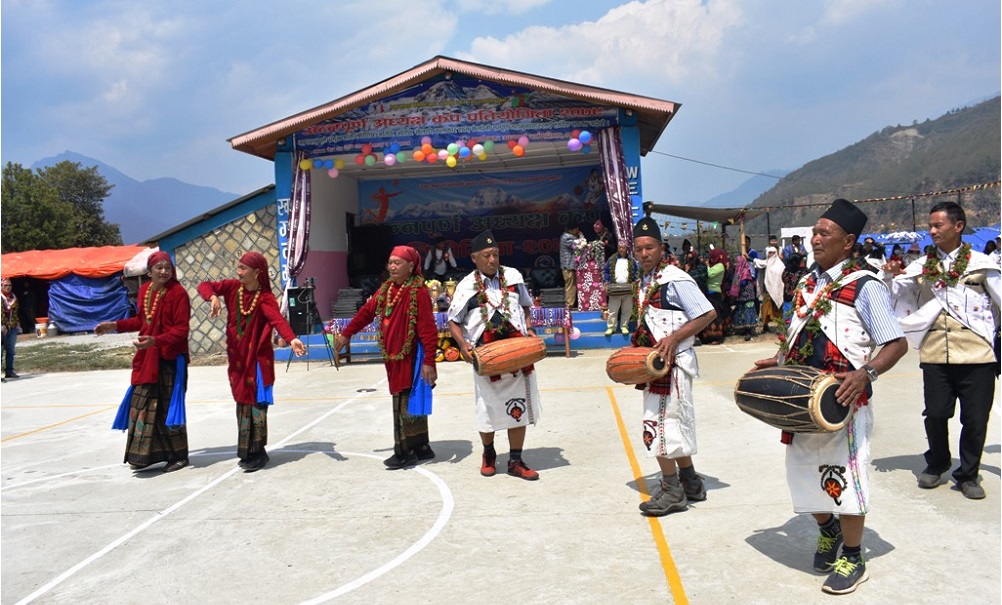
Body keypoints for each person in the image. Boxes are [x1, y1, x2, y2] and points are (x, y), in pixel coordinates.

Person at [754, 198, 906, 595]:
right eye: (814, 232)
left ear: (848, 241)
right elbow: (800, 338)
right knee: (803, 476)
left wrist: (866, 372)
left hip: (843, 400)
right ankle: (828, 528)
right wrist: (777, 361)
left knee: (846, 477)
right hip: (803, 398)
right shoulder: (807, 282)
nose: (815, 239)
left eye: (825, 233)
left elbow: (895, 343)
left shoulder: (864, 284)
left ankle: (853, 556)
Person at [879, 201, 1001, 500]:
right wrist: (892, 275)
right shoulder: (921, 266)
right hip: (936, 352)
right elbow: (900, 299)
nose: (931, 231)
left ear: (958, 226)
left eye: (938, 226)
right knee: (935, 413)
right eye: (930, 226)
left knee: (975, 418)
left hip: (977, 354)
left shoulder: (982, 263)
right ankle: (937, 462)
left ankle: (968, 474)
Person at [630, 217, 716, 516]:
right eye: (638, 249)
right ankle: (691, 483)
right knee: (672, 426)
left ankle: (672, 491)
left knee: (657, 426)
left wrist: (674, 337)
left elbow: (707, 313)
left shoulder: (675, 279)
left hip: (674, 365)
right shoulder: (643, 282)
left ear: (661, 248)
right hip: (655, 366)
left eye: (649, 247)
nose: (644, 254)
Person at [197, 252, 306, 472]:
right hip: (237, 361)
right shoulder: (230, 288)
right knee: (242, 405)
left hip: (257, 360)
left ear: (257, 273)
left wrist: (292, 338)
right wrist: (213, 298)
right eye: (238, 267)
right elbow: (204, 285)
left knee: (256, 406)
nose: (238, 272)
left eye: (242, 268)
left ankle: (258, 452)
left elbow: (277, 320)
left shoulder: (264, 297)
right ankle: (247, 451)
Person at [448, 230, 542, 481]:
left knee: (518, 406)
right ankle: (488, 453)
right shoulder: (466, 286)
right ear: (474, 258)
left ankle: (515, 460)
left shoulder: (513, 277)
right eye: (486, 256)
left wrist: (530, 330)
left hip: (517, 353)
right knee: (487, 409)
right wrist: (463, 345)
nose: (492, 260)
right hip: (486, 356)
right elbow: (453, 322)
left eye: (495, 254)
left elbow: (525, 306)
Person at [335, 246, 439, 469]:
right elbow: (366, 313)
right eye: (390, 262)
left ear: (411, 266)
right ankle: (421, 446)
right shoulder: (386, 289)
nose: (392, 266)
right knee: (407, 400)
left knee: (404, 401)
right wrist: (346, 333)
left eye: (397, 263)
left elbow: (429, 329)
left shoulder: (418, 292)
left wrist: (429, 361)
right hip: (393, 356)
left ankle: (405, 452)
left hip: (410, 357)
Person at [94, 252, 191, 473]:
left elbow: (182, 330)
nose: (164, 271)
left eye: (168, 267)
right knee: (143, 403)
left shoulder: (178, 293)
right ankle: (146, 455)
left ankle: (179, 456)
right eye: (160, 268)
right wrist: (114, 325)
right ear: (150, 271)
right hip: (148, 358)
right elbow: (141, 320)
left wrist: (156, 341)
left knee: (169, 407)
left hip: (170, 359)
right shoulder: (146, 291)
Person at [602, 241, 640, 335]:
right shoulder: (611, 259)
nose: (622, 249)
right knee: (613, 310)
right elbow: (606, 271)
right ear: (618, 248)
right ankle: (611, 327)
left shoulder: (632, 260)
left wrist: (634, 282)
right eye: (620, 248)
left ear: (627, 249)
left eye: (623, 248)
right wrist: (606, 282)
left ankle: (624, 326)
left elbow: (636, 272)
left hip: (627, 289)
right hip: (614, 289)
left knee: (627, 310)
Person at [698, 248, 729, 345]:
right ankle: (707, 336)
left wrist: (707, 266)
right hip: (708, 292)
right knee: (707, 315)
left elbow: (710, 274)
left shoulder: (720, 266)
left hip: (715, 293)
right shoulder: (714, 265)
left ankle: (716, 336)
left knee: (715, 315)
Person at [576, 225, 607, 311]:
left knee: (594, 290)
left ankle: (592, 306)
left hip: (591, 269)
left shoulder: (594, 244)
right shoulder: (580, 244)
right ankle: (590, 306)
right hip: (587, 269)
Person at [729, 254, 759, 341]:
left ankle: (749, 331)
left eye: (736, 262)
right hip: (741, 296)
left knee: (748, 312)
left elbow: (742, 283)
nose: (735, 264)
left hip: (747, 296)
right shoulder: (737, 272)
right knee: (741, 312)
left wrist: (735, 284)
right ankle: (743, 329)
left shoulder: (745, 271)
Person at [754, 246, 784, 331]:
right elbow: (758, 263)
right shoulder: (766, 263)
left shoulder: (780, 265)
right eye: (769, 253)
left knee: (777, 309)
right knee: (765, 308)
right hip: (767, 291)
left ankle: (780, 326)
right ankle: (765, 325)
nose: (771, 255)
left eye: (772, 253)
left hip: (777, 291)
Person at [2, 278, 20, 382]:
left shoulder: (13, 297)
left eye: (9, 286)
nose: (8, 287)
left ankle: (9, 371)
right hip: (2, 328)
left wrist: (17, 323)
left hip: (12, 327)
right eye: (5, 285)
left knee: (11, 350)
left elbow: (16, 311)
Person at [559, 226, 581, 308]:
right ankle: (569, 305)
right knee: (570, 286)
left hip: (571, 266)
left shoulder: (569, 237)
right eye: (576, 229)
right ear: (570, 229)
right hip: (568, 266)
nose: (577, 231)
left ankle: (572, 304)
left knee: (573, 286)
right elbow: (578, 246)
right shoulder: (567, 237)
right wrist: (581, 237)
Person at [781, 253, 808, 319]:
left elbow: (783, 279)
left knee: (787, 317)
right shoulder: (803, 271)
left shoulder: (786, 270)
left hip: (787, 296)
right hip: (798, 298)